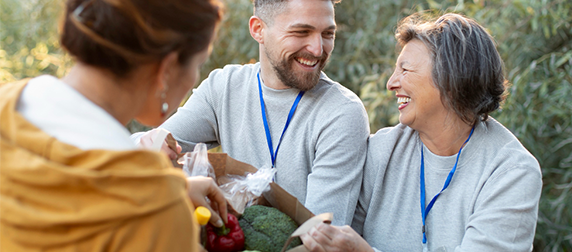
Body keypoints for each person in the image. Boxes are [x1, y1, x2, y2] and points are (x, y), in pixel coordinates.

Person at [300, 13, 542, 252]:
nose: (391, 83)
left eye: (405, 70)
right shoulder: (382, 152)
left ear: (451, 78)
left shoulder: (511, 172)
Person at [0, 0, 227, 251]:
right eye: (198, 65)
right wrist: (165, 200)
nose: (195, 77)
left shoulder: (6, 105)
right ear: (167, 69)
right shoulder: (153, 209)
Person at [132, 0, 370, 225]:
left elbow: (322, 235)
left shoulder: (341, 113)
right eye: (301, 32)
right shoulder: (223, 87)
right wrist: (149, 142)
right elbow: (138, 149)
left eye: (328, 34)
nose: (318, 49)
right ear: (258, 30)